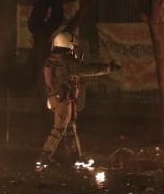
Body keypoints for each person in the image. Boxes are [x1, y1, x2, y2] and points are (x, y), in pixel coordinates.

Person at [37, 31, 120, 168]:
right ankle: (44, 157)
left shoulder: (52, 59)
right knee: (59, 127)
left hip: (56, 97)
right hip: (63, 98)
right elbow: (86, 69)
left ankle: (75, 156)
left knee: (70, 126)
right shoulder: (66, 60)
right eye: (72, 43)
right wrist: (107, 68)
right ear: (67, 44)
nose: (73, 46)